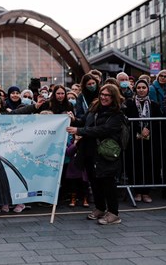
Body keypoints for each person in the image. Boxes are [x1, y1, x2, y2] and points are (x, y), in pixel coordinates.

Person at [66, 84, 126, 225]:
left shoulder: (117, 113)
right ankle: (100, 208)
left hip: (105, 153)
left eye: (107, 95)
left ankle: (114, 213)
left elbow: (103, 130)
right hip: (89, 151)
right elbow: (86, 123)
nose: (104, 97)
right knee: (94, 181)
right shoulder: (94, 108)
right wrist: (74, 119)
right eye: (102, 94)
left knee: (108, 182)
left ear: (114, 97)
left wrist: (79, 131)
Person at [122, 79, 162, 203]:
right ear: (135, 89)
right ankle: (137, 191)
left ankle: (146, 192)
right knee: (135, 165)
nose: (141, 90)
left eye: (143, 87)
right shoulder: (129, 103)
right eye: (138, 87)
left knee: (149, 165)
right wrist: (139, 129)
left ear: (147, 89)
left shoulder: (154, 104)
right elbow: (126, 120)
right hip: (134, 140)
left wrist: (148, 128)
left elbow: (157, 120)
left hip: (149, 140)